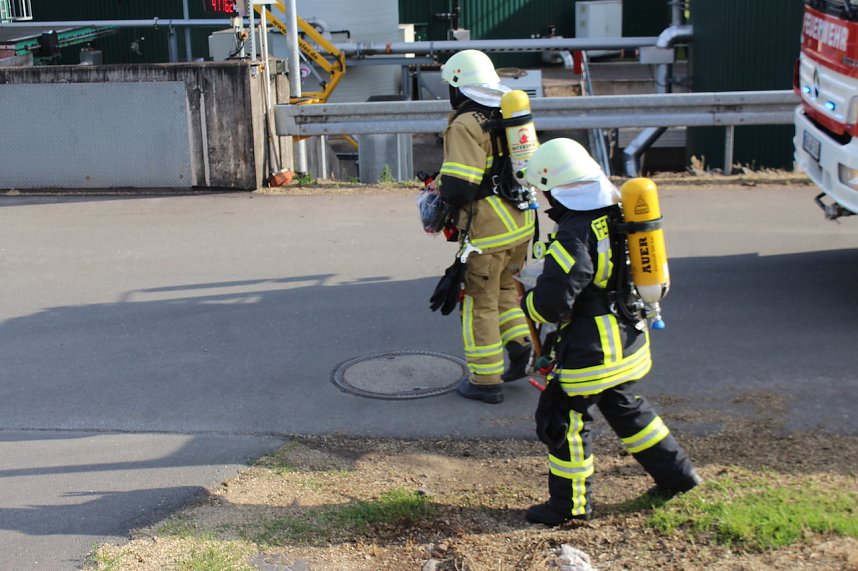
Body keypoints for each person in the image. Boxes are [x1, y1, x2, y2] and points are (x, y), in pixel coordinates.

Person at [519, 138, 701, 525]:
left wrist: (529, 304)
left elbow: (553, 301)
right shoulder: (618, 210)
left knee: (563, 419)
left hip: (592, 348)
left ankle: (570, 506)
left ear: (559, 188)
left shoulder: (574, 232)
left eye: (546, 190)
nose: (546, 198)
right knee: (626, 408)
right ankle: (679, 476)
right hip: (628, 334)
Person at [435, 49, 536, 404]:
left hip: (489, 229)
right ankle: (521, 345)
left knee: (479, 302)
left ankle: (485, 381)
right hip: (521, 221)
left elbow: (460, 187)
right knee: (506, 290)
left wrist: (438, 190)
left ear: (459, 87)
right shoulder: (507, 112)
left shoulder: (465, 124)